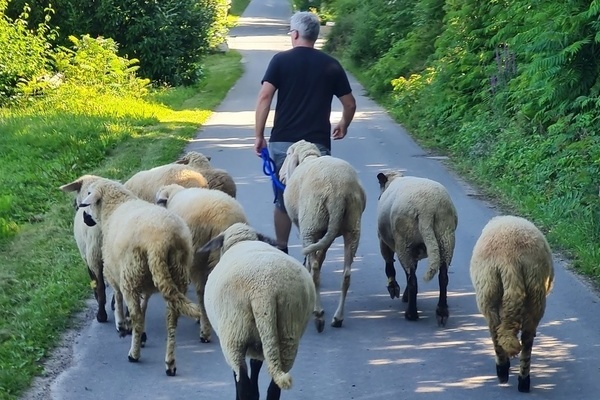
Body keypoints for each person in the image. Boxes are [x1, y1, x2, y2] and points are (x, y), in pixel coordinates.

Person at [254, 11, 357, 254]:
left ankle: (282, 249)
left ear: (297, 33)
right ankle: (312, 254)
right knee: (315, 201)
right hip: (317, 145)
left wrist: (259, 135)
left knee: (282, 199)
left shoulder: (280, 61)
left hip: (283, 143)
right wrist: (344, 123)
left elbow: (265, 97)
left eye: (290, 31)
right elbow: (350, 103)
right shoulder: (331, 64)